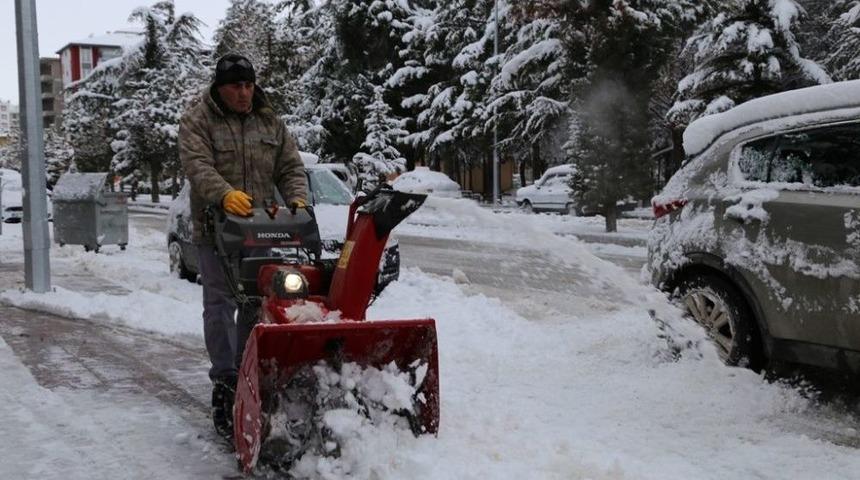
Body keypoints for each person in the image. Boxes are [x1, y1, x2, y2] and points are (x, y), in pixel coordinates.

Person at [179, 53, 308, 439]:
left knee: (258, 302)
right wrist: (224, 194)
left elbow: (290, 166)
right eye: (236, 86)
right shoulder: (198, 120)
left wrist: (297, 197)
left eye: (249, 85)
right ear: (220, 88)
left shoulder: (270, 121)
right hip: (217, 231)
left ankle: (249, 371)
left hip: (261, 231)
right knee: (220, 306)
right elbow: (198, 165)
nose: (244, 93)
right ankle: (225, 381)